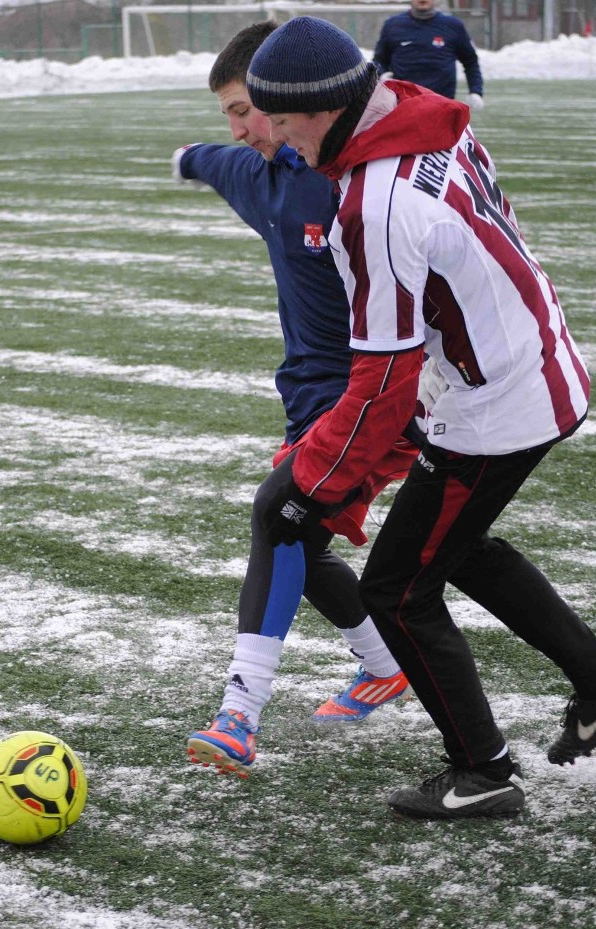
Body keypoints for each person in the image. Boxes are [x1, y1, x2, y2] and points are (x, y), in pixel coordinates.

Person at [245, 17, 596, 819]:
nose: (283, 140)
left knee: (396, 589)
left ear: (325, 109)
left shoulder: (375, 205)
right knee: (453, 546)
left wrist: (313, 476)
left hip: (496, 400)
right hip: (528, 357)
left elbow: (381, 382)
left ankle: (483, 770)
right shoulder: (410, 103)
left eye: (285, 121)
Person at [173, 22, 421, 778]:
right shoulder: (256, 173)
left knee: (278, 522)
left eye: (251, 108)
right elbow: (207, 160)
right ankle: (382, 666)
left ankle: (238, 716)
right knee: (300, 543)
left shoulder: (349, 180)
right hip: (310, 403)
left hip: (374, 403)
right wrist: (187, 158)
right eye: (231, 113)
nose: (246, 128)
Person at [373, 0, 484, 108]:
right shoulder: (393, 26)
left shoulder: (453, 26)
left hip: (442, 107)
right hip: (403, 107)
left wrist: (475, 91)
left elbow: (470, 61)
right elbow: (378, 61)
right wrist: (382, 74)